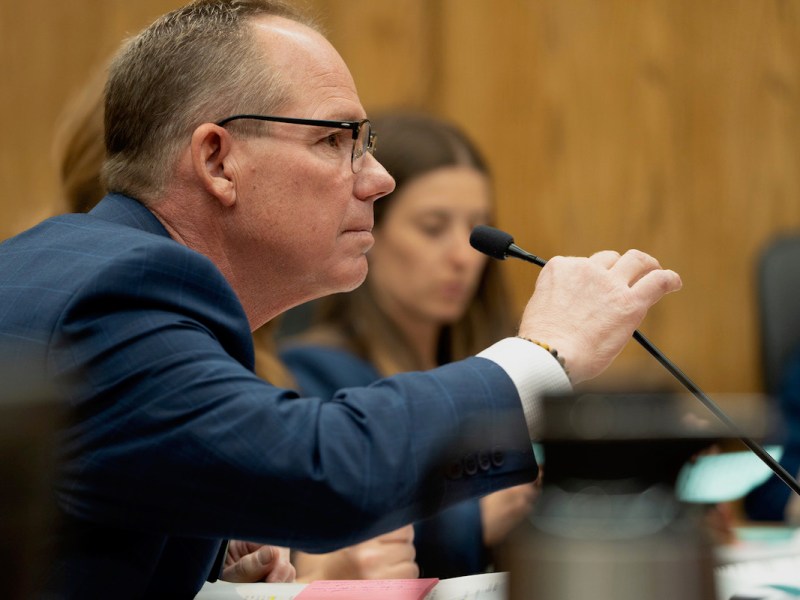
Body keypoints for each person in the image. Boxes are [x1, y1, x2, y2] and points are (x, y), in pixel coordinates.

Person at [0, 1, 681, 597]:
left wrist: (206, 573)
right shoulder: (116, 295)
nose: (378, 179)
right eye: (334, 140)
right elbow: (324, 470)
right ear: (217, 160)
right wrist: (543, 355)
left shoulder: (86, 269)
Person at [281, 110, 536, 578]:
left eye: (477, 230)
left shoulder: (492, 366)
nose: (463, 257)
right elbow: (328, 533)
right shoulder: (309, 373)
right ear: (370, 232)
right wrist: (474, 521)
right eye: (433, 228)